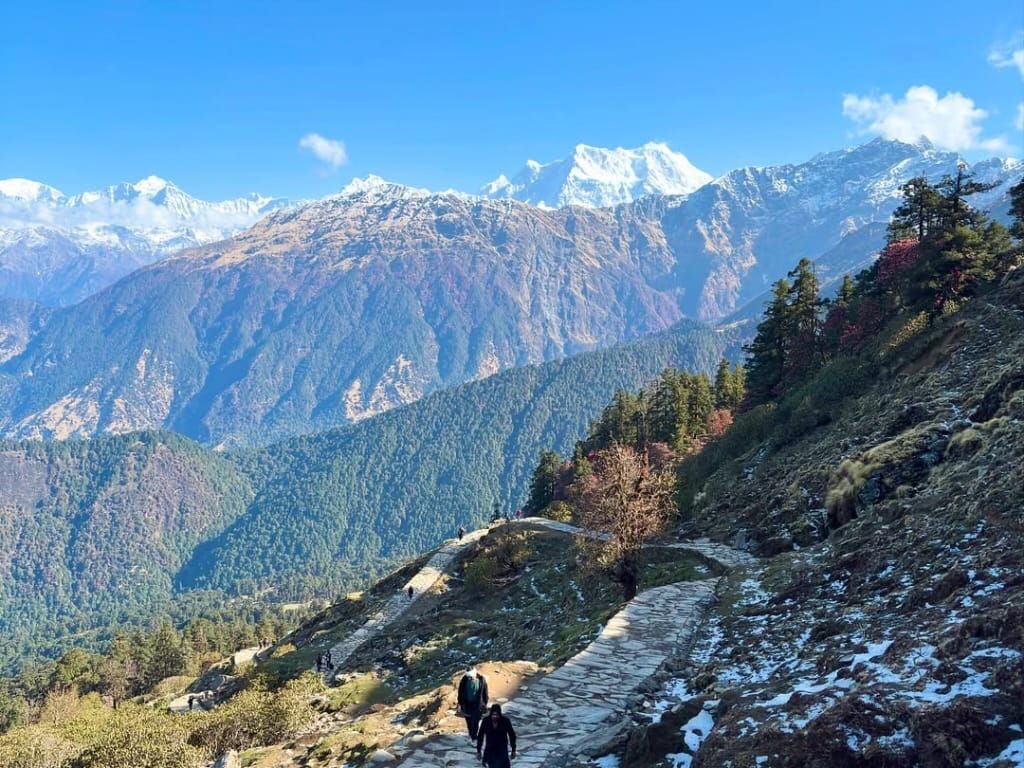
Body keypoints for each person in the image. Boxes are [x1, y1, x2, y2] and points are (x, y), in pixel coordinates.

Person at [477, 703, 516, 767]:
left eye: (497, 715)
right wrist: (479, 751)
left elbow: (512, 735)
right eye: (493, 715)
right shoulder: (486, 721)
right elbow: (480, 736)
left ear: (499, 714)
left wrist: (513, 750)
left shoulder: (505, 721)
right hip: (490, 750)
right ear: (491, 714)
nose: (495, 717)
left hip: (502, 750)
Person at [457, 666, 489, 741]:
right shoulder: (464, 680)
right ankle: (471, 734)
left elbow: (485, 693)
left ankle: (474, 737)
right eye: (468, 677)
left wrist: (485, 703)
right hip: (467, 704)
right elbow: (460, 692)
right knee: (469, 722)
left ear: (475, 674)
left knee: (475, 722)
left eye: (471, 677)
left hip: (478, 705)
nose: (470, 678)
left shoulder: (481, 680)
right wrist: (460, 703)